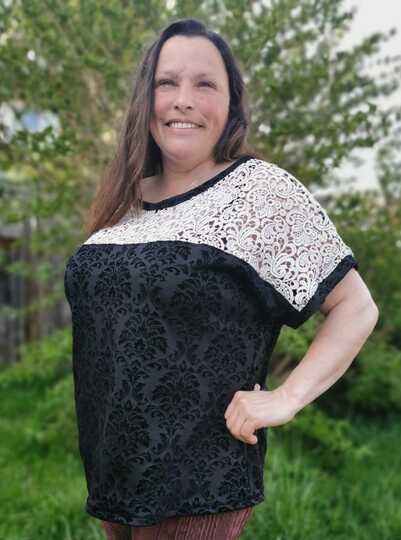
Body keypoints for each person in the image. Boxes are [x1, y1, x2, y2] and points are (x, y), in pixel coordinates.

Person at [63, 17, 379, 540]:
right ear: (146, 100)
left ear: (232, 104)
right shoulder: (124, 199)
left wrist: (286, 397)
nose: (184, 100)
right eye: (167, 83)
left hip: (197, 485)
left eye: (205, 84)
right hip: (112, 483)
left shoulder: (259, 194)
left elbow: (356, 306)